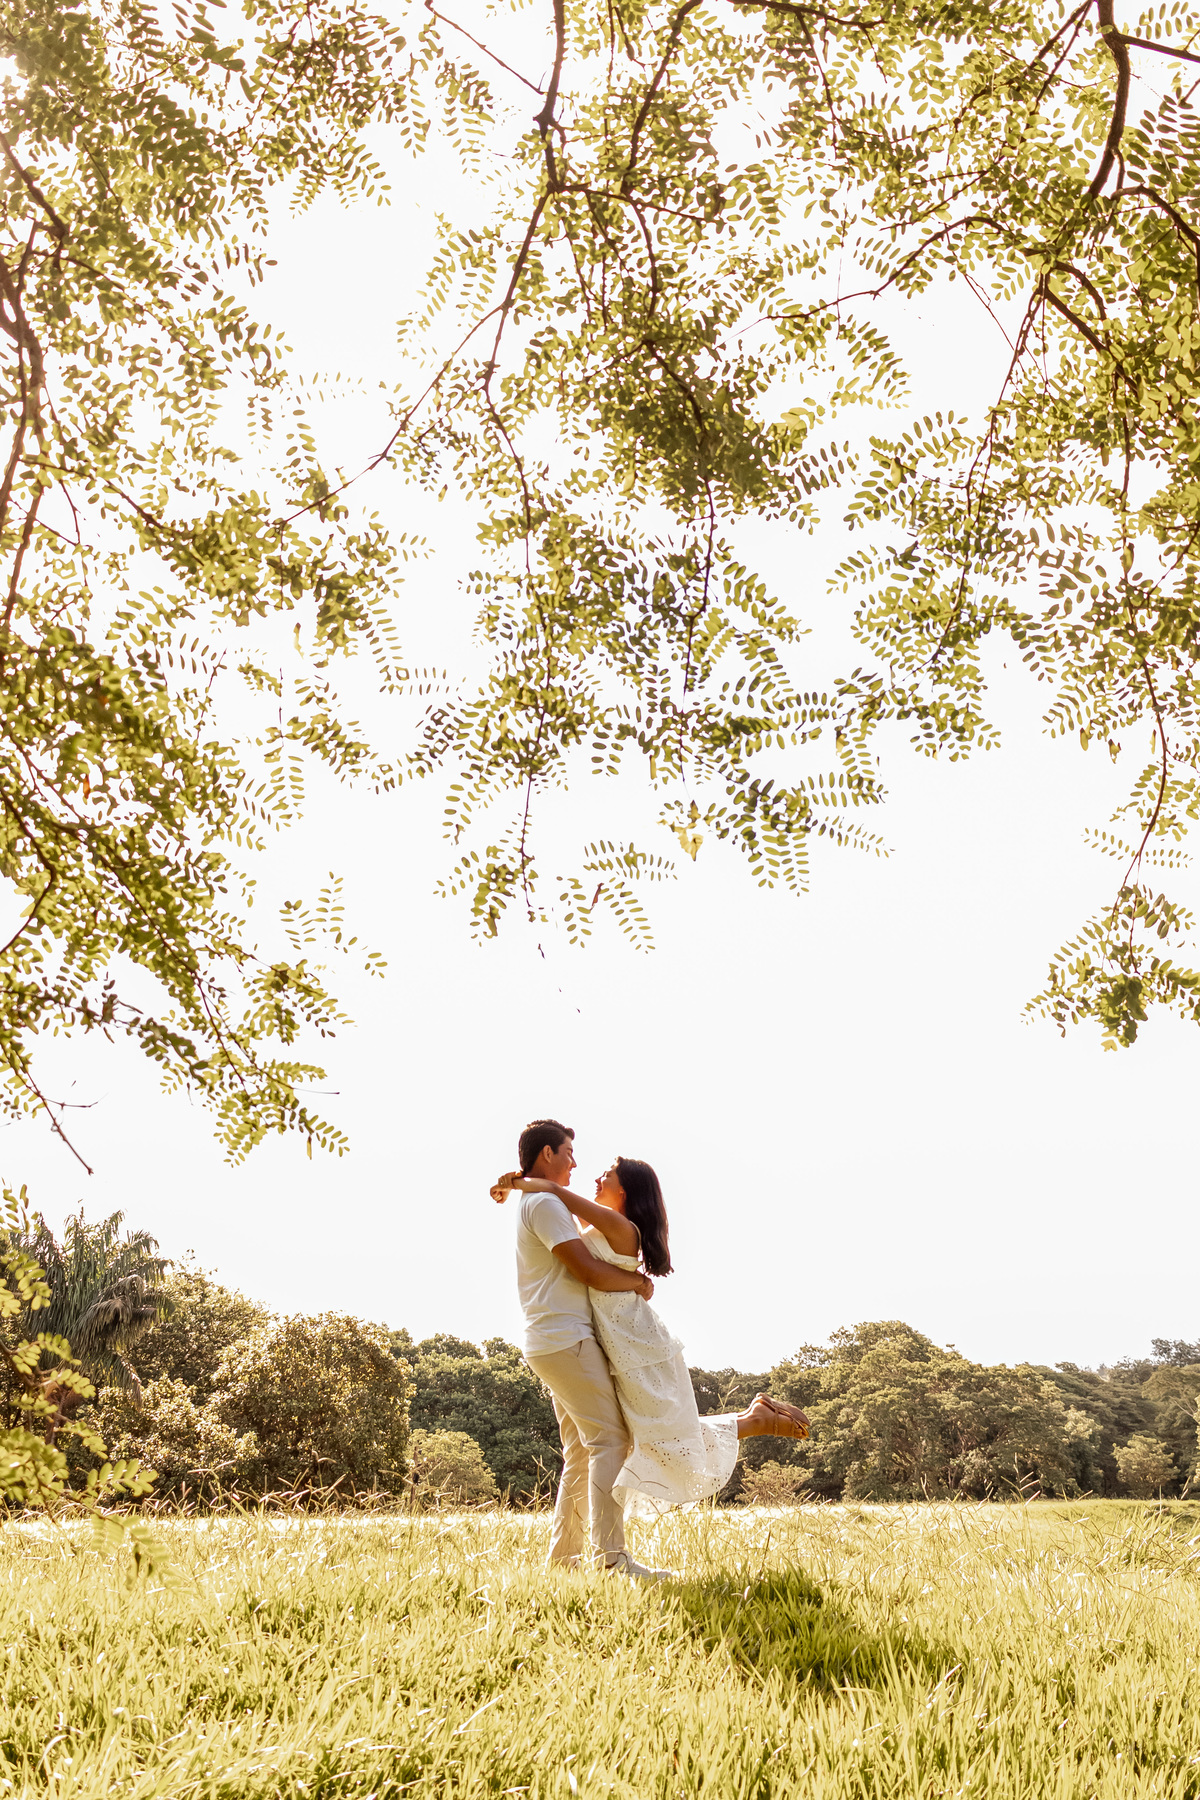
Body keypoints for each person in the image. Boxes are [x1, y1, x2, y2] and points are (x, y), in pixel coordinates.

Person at [492, 1146, 810, 1525]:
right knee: (640, 1435)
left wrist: (522, 1183)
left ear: (624, 1190)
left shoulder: (621, 1227)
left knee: (657, 1435)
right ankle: (751, 1419)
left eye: (607, 1175)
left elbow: (561, 1202)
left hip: (633, 1342)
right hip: (612, 1340)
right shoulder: (596, 1226)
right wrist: (519, 1184)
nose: (595, 1178)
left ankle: (753, 1421)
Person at [495, 1118, 670, 1581]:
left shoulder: (541, 1201)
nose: (575, 1161)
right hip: (564, 1338)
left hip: (553, 1339)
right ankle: (611, 1560)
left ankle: (564, 1559)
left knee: (582, 1449)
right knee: (612, 1440)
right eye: (568, 1151)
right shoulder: (545, 1204)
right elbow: (588, 1271)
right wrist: (637, 1282)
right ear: (547, 1154)